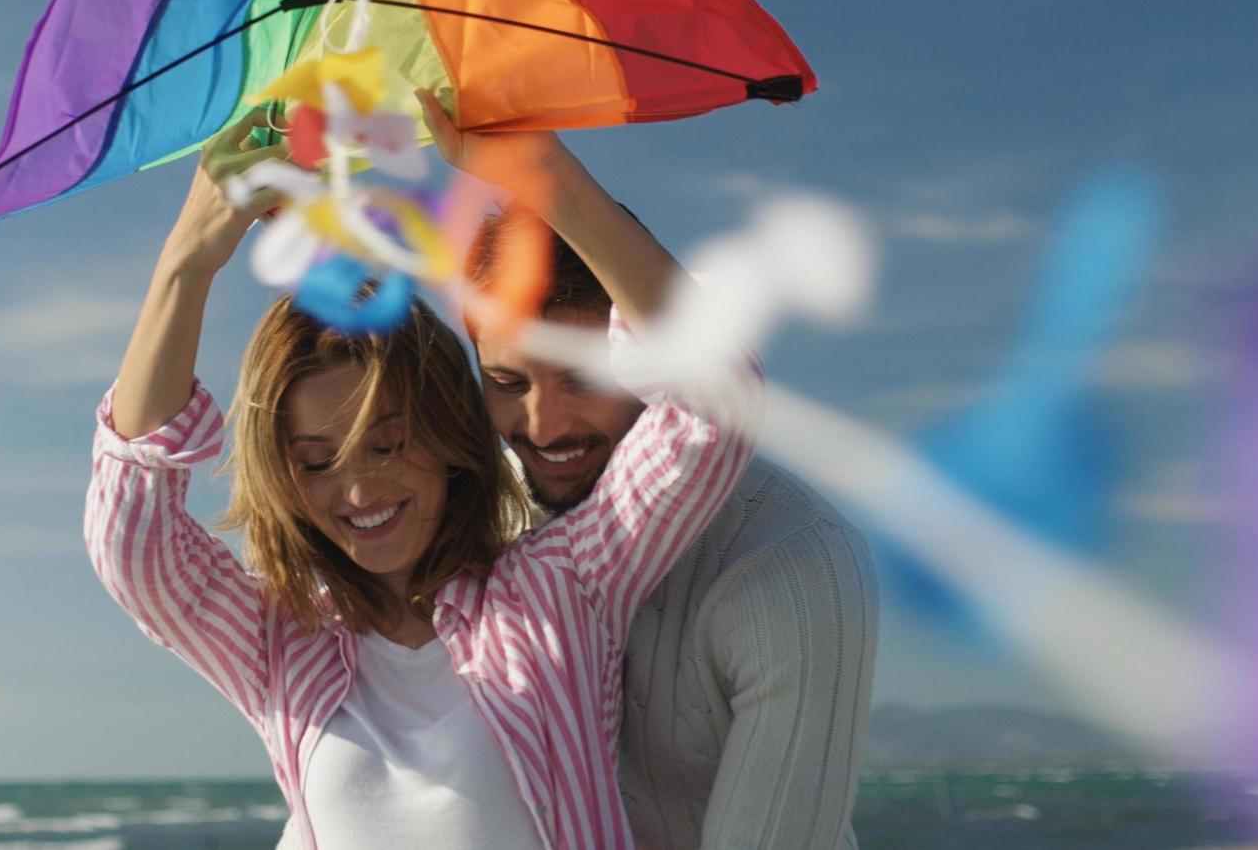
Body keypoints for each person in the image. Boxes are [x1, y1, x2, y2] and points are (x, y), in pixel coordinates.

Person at [88, 105, 760, 849]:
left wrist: (547, 179)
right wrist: (187, 261)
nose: (358, 492)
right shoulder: (278, 641)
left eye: (387, 445)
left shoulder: (560, 590)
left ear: (446, 435)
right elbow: (132, 542)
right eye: (315, 462)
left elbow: (715, 401)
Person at [441, 110, 880, 849]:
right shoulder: (493, 535)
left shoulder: (795, 565)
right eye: (507, 382)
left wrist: (549, 176)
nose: (543, 428)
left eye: (585, 378)